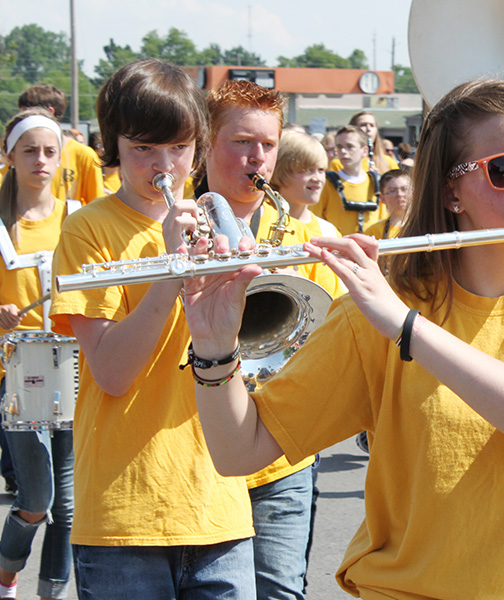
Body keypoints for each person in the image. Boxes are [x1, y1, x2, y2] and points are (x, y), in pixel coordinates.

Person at [180, 78, 504, 599]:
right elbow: (240, 452)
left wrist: (405, 327)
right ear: (450, 190)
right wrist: (215, 349)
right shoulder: (373, 315)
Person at [49, 58, 255, 599]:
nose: (165, 165)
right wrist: (173, 269)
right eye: (143, 148)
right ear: (112, 143)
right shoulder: (87, 229)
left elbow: (256, 357)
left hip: (219, 503)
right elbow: (113, 373)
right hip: (123, 512)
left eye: (180, 148)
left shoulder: (219, 221)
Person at [203, 79, 341, 600]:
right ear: (208, 144)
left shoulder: (306, 237)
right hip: (205, 451)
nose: (256, 158)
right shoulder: (178, 228)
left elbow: (323, 336)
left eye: (267, 144)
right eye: (242, 142)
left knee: (281, 591)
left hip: (285, 452)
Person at [0, 108, 74, 600]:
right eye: (29, 151)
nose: (40, 161)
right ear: (9, 157)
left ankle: (50, 593)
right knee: (37, 499)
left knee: (68, 506)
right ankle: (5, 574)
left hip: (71, 368)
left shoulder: (80, 216)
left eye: (49, 152)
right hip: (13, 373)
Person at [17, 85, 103, 205]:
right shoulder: (19, 154)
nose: (20, 121)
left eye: (25, 114)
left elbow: (96, 204)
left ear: (49, 112)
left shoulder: (84, 154)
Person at [313, 125, 387, 235]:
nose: (343, 151)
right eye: (339, 146)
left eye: (349, 146)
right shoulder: (327, 183)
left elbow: (383, 220)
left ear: (365, 151)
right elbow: (315, 220)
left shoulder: (376, 183)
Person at [327, 111, 399, 175]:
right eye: (363, 125)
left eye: (372, 125)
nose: (368, 129)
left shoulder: (389, 162)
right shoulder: (339, 163)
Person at [364, 168, 411, 240]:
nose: (399, 194)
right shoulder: (373, 232)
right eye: (393, 191)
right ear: (382, 198)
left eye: (404, 189)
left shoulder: (424, 225)